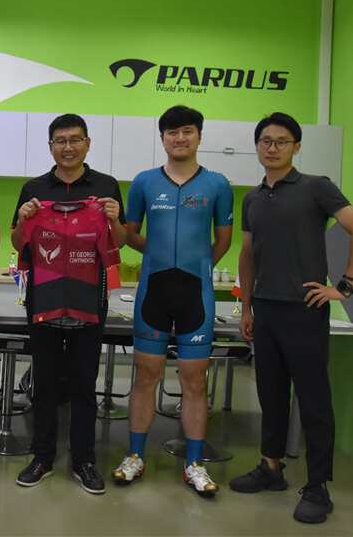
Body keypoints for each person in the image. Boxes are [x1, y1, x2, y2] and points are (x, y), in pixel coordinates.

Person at [230, 112, 353, 523]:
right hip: (265, 310)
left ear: (296, 146)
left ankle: (318, 486)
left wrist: (344, 286)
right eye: (266, 141)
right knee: (270, 393)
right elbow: (247, 255)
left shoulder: (316, 187)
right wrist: (247, 308)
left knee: (313, 400)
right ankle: (271, 467)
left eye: (281, 141)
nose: (272, 147)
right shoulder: (253, 198)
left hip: (305, 309)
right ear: (257, 147)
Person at [113, 105, 233, 497]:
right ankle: (135, 456)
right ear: (162, 137)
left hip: (196, 294)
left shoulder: (217, 184)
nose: (180, 138)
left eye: (187, 131)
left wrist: (196, 265)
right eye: (172, 132)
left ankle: (194, 464)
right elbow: (129, 234)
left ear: (199, 135)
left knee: (195, 380)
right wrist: (160, 257)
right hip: (154, 291)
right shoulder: (144, 182)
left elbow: (224, 240)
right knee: (145, 377)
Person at [11, 114, 126, 493]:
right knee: (43, 384)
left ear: (87, 144)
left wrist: (114, 219)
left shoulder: (106, 186)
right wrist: (24, 219)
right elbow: (17, 243)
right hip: (43, 298)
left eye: (75, 140)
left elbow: (120, 241)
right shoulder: (34, 189)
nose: (68, 147)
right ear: (50, 147)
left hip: (88, 299)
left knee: (83, 387)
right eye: (60, 141)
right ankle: (42, 457)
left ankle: (84, 461)